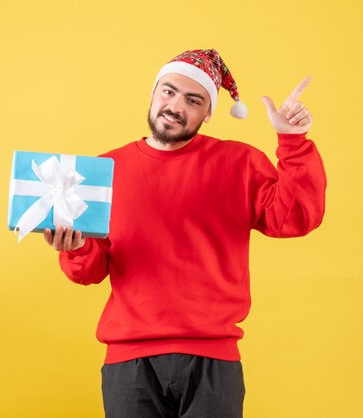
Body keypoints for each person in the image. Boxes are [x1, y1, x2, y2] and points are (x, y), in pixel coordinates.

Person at [43, 49, 327, 418]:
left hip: (213, 359)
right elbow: (90, 271)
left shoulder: (239, 163)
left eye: (193, 100)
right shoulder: (103, 171)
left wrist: (293, 142)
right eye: (168, 91)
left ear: (208, 113)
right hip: (130, 363)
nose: (175, 106)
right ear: (153, 93)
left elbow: (296, 217)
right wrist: (77, 248)